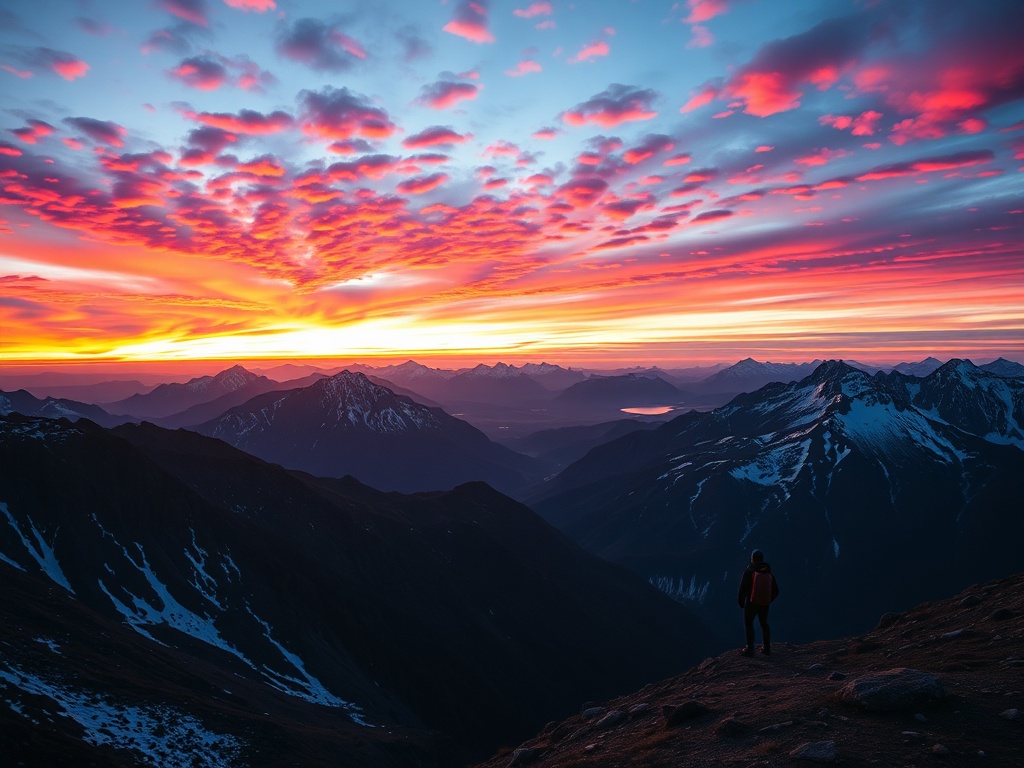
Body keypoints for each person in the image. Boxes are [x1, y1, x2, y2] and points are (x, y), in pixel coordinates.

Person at [737, 549, 779, 656]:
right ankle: (766, 648)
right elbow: (776, 590)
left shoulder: (749, 571)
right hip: (764, 604)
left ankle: (750, 649)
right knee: (764, 624)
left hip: (750, 603)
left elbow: (742, 588)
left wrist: (741, 602)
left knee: (749, 624)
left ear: (752, 559)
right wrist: (768, 600)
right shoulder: (767, 570)